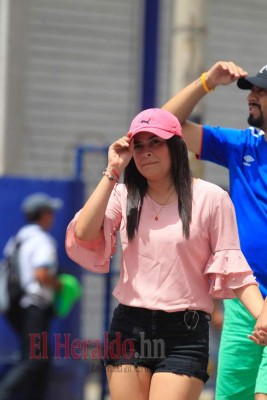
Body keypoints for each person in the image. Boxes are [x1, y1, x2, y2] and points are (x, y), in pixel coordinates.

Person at [65, 107, 265, 400]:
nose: (146, 152)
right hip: (129, 327)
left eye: (155, 142)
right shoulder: (123, 195)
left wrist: (262, 316)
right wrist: (112, 171)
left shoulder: (211, 198)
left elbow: (233, 266)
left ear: (175, 145)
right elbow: (83, 233)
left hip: (185, 332)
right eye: (139, 145)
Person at [162, 61, 267, 400]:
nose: (252, 95)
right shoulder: (243, 145)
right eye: (252, 88)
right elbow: (163, 125)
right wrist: (206, 82)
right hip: (244, 299)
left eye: (261, 91)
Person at [0, 192, 63, 400]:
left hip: (18, 308)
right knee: (35, 359)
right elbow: (41, 274)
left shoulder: (18, 239)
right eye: (50, 212)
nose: (52, 216)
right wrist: (59, 284)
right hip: (34, 307)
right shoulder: (42, 240)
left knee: (41, 360)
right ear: (43, 214)